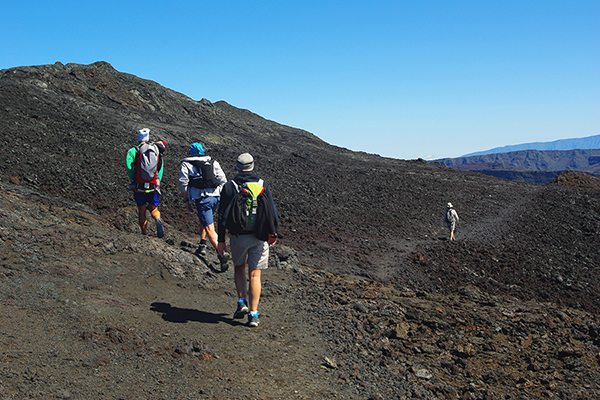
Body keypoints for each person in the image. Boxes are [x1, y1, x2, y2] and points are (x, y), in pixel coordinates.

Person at [217, 153, 279, 327]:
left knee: (239, 268)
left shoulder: (230, 187)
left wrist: (221, 240)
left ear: (237, 167)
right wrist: (273, 233)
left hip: (238, 236)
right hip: (259, 236)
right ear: (252, 167)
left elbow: (222, 216)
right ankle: (253, 315)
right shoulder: (262, 185)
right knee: (255, 274)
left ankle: (241, 302)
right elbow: (272, 211)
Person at [179, 142, 230, 269]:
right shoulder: (212, 162)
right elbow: (223, 180)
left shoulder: (187, 163)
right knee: (205, 220)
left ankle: (222, 255)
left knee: (210, 228)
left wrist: (186, 200)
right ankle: (202, 245)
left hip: (203, 200)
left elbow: (183, 183)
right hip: (216, 197)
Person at [126, 128, 166, 237]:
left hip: (139, 186)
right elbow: (159, 169)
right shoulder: (156, 151)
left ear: (138, 139)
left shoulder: (133, 151)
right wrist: (157, 184)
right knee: (154, 208)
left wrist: (133, 182)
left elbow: (129, 168)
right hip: (153, 186)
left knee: (142, 210)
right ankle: (157, 219)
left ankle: (144, 234)